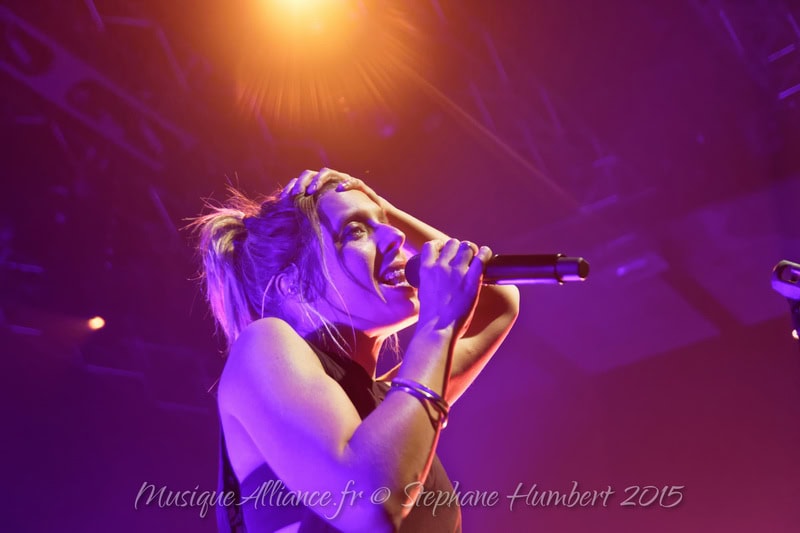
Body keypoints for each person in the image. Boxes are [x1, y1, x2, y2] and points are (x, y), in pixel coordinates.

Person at [194, 168, 519, 532]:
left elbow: (497, 302)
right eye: (355, 231)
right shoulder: (263, 344)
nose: (396, 237)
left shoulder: (394, 404)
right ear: (291, 283)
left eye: (385, 224)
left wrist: (385, 209)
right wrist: (438, 324)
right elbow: (368, 504)